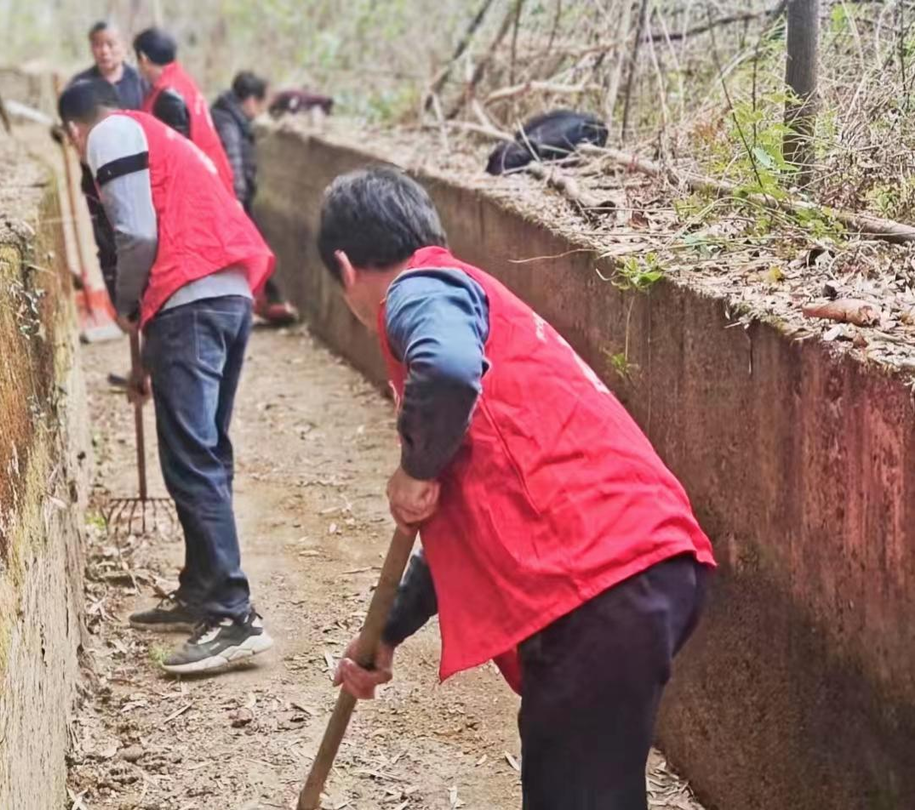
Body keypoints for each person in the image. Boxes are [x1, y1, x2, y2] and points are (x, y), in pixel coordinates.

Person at [317, 166, 716, 810]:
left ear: (344, 268)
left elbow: (446, 371)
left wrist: (414, 469)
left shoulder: (419, 291)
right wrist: (386, 630)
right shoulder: (467, 297)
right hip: (633, 571)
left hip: (600, 579)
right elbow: (459, 525)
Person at [58, 79, 275, 674]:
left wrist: (127, 305)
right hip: (226, 293)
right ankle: (204, 586)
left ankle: (234, 613)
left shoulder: (109, 133)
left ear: (75, 129)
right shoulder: (155, 135)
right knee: (207, 449)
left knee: (189, 455)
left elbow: (137, 233)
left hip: (188, 298)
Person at [68, 20, 147, 304]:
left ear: (123, 46)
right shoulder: (80, 86)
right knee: (108, 243)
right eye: (97, 44)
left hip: (141, 179)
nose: (104, 51)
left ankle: (149, 305)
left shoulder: (140, 83)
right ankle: (121, 307)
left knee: (142, 238)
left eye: (110, 44)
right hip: (97, 181)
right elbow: (71, 128)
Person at [211, 70, 298, 326]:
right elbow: (233, 160)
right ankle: (266, 302)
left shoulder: (225, 114)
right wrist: (237, 200)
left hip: (231, 199)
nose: (260, 112)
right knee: (252, 251)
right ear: (250, 100)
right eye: (261, 105)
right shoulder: (227, 122)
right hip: (232, 200)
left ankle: (265, 301)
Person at [132, 27, 235, 193]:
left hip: (197, 184)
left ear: (143, 59)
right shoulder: (180, 81)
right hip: (214, 174)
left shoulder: (168, 96)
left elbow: (178, 154)